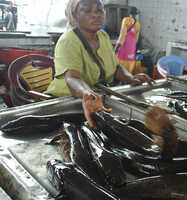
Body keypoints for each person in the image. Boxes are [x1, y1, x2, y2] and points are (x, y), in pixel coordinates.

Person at [44, 0, 153, 129]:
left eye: (99, 10)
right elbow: (72, 77)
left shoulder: (103, 36)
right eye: (87, 10)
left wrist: (131, 78)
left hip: (93, 99)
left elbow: (116, 67)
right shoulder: (68, 41)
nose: (96, 15)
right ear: (74, 15)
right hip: (66, 102)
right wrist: (87, 94)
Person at [114, 6, 141, 74]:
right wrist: (134, 50)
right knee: (129, 66)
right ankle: (127, 79)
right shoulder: (138, 24)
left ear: (129, 13)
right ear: (136, 14)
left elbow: (122, 35)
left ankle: (121, 80)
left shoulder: (126, 20)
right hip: (132, 48)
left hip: (124, 47)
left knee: (120, 66)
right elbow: (136, 39)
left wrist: (116, 48)